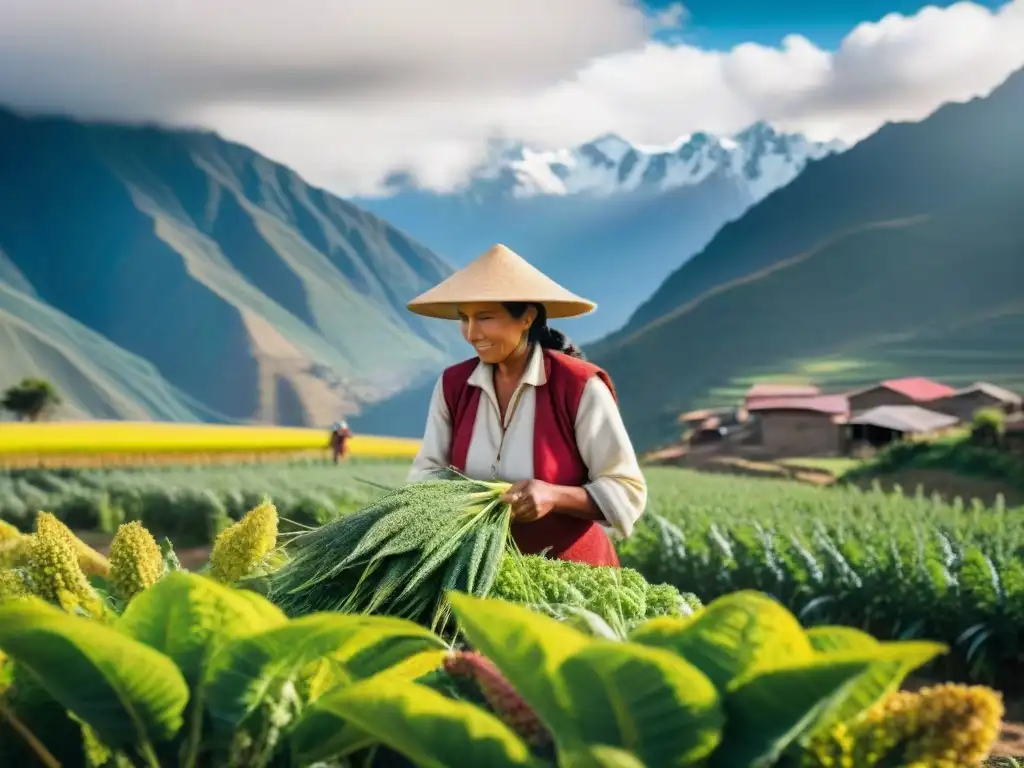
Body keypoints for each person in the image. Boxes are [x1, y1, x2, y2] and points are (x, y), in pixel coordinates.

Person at [405, 243, 647, 567]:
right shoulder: (453, 386)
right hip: (475, 575)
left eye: (486, 318)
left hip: (572, 581)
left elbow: (626, 490)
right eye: (465, 319)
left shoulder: (579, 386)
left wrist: (554, 496)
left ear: (527, 318)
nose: (472, 333)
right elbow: (427, 474)